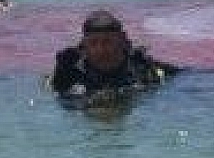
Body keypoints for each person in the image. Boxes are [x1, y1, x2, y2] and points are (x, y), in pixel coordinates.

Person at [49, 10, 180, 98]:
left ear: (122, 41)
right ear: (84, 45)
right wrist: (61, 75)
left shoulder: (143, 68)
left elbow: (182, 77)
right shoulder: (70, 72)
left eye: (108, 42)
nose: (101, 49)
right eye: (93, 43)